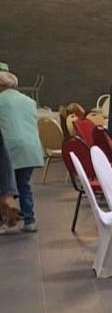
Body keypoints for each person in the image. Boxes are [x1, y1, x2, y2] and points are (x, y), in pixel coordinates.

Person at [0, 66, 43, 232]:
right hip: (32, 147)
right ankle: (29, 220)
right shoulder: (29, 101)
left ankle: (5, 221)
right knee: (23, 185)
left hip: (9, 148)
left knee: (4, 187)